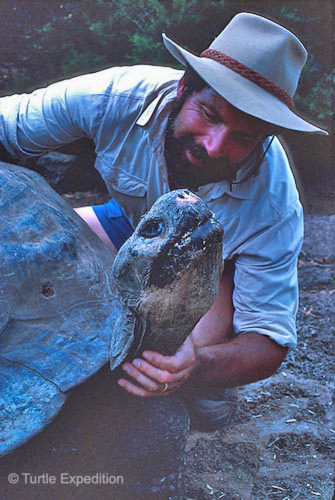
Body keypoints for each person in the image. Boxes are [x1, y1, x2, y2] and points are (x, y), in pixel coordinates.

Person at [0, 11, 328, 497]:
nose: (216, 146)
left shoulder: (275, 204)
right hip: (125, 229)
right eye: (211, 116)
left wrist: (197, 364)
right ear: (182, 90)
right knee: (38, 250)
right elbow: (7, 127)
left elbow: (269, 340)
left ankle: (198, 386)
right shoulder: (114, 97)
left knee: (153, 363)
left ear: (266, 137)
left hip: (206, 272)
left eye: (242, 137)